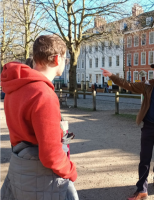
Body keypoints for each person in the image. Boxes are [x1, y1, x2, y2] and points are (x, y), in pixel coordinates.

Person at [1, 35, 78, 200]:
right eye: (66, 58)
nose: (66, 62)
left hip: (20, 170)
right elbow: (50, 154)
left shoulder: (15, 88)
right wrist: (71, 170)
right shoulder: (43, 94)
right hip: (41, 178)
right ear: (57, 59)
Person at [101, 61, 154, 200]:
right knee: (145, 158)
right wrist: (112, 76)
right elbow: (128, 85)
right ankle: (142, 189)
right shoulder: (147, 85)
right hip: (148, 127)